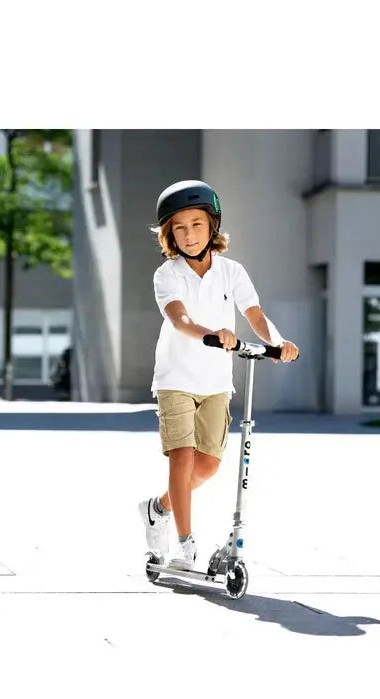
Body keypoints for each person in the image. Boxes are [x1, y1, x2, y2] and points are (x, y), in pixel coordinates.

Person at [138, 180, 299, 570]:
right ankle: (184, 543)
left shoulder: (232, 272)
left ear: (213, 226)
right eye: (179, 227)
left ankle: (157, 509)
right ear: (169, 235)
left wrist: (278, 342)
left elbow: (253, 314)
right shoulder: (167, 274)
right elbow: (179, 318)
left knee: (207, 466)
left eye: (196, 224)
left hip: (214, 383)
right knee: (182, 456)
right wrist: (211, 333)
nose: (189, 234)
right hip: (175, 378)